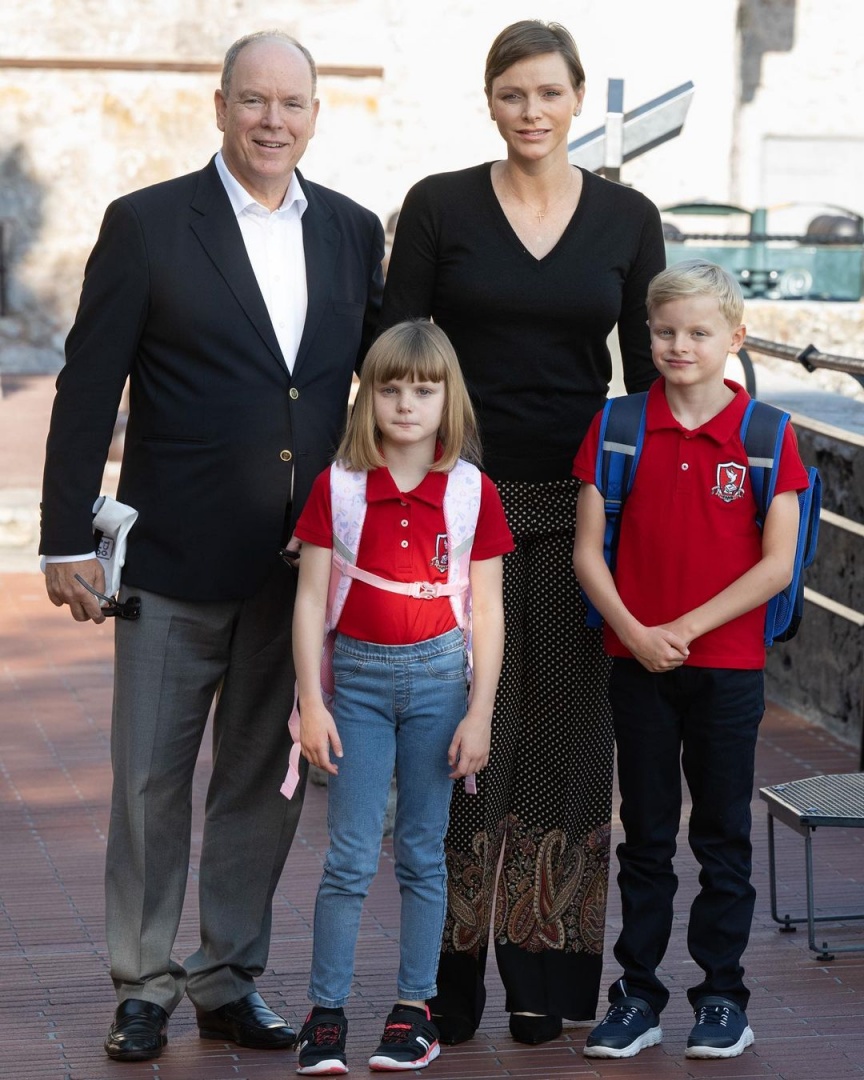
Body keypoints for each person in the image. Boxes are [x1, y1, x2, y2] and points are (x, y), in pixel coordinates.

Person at [39, 30, 383, 1062]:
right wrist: (64, 538)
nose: (272, 121)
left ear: (316, 114)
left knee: (260, 786)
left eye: (292, 104)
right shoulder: (147, 225)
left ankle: (227, 979)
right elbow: (88, 383)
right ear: (221, 105)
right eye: (254, 101)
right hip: (173, 564)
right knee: (148, 783)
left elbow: (386, 385)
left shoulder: (354, 233)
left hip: (298, 574)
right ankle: (141, 983)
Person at [379, 20, 665, 1044]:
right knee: (459, 751)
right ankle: (442, 982)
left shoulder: (628, 217)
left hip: (577, 512)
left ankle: (545, 981)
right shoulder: (440, 206)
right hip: (453, 513)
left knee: (568, 753)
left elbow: (648, 376)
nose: (532, 111)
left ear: (577, 98)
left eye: (549, 92)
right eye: (513, 94)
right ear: (491, 101)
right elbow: (393, 356)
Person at [572, 260, 809, 1060]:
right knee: (643, 836)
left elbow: (777, 563)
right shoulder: (617, 427)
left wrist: (684, 627)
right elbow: (586, 552)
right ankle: (637, 995)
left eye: (699, 333)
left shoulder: (768, 436)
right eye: (665, 331)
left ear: (734, 339)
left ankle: (722, 998)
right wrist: (639, 632)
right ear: (646, 335)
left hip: (729, 668)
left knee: (720, 836)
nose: (680, 345)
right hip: (637, 661)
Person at [289, 321, 513, 1074]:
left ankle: (414, 1009)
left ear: (450, 398)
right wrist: (310, 704)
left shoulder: (473, 491)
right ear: (368, 397)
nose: (407, 403)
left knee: (422, 851)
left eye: (424, 389)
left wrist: (480, 712)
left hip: (442, 681)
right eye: (390, 388)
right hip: (354, 682)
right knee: (349, 855)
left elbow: (487, 609)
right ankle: (325, 1015)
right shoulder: (339, 487)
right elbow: (311, 598)